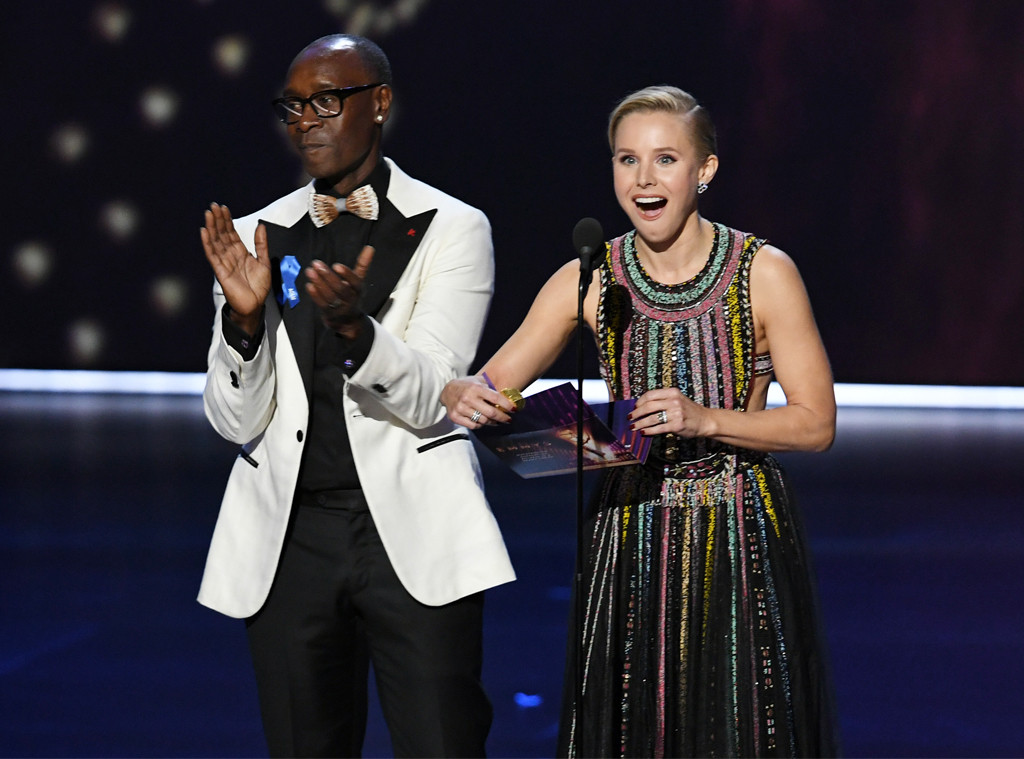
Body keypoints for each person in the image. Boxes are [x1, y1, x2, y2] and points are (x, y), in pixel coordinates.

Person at [441, 85, 839, 756]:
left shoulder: (762, 272)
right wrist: (464, 393)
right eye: (627, 160)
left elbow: (815, 422)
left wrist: (705, 419)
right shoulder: (593, 277)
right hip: (628, 531)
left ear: (704, 170)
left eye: (665, 159)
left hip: (737, 530)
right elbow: (492, 386)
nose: (644, 179)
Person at [197, 34, 514, 757]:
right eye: (293, 106)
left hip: (411, 530)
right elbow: (232, 417)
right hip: (290, 539)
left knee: (443, 742)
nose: (306, 120)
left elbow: (437, 394)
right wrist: (242, 323)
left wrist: (355, 331)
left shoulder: (453, 228)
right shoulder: (257, 234)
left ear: (379, 104)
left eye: (327, 101)